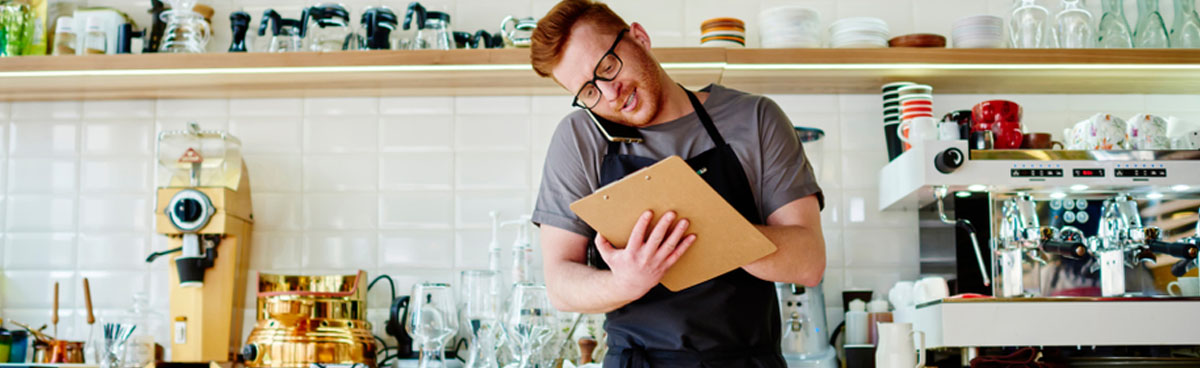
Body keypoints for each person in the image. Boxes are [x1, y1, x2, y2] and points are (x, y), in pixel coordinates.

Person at [529, 1, 826, 366]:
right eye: (589, 92)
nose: (609, 94)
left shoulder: (754, 119)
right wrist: (626, 282)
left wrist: (715, 229)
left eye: (607, 67)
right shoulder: (581, 137)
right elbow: (559, 283)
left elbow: (809, 262)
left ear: (639, 37)